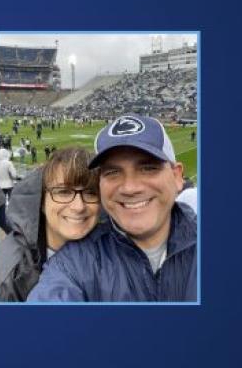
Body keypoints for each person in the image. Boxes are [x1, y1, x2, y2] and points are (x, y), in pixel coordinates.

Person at [28, 114, 197, 302]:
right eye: (113, 172)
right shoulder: (73, 264)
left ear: (177, 176)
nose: (130, 187)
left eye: (148, 168)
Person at [0, 147, 100, 301]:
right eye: (63, 192)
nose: (79, 206)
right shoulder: (7, 277)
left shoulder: (114, 246)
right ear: (41, 202)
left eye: (90, 192)